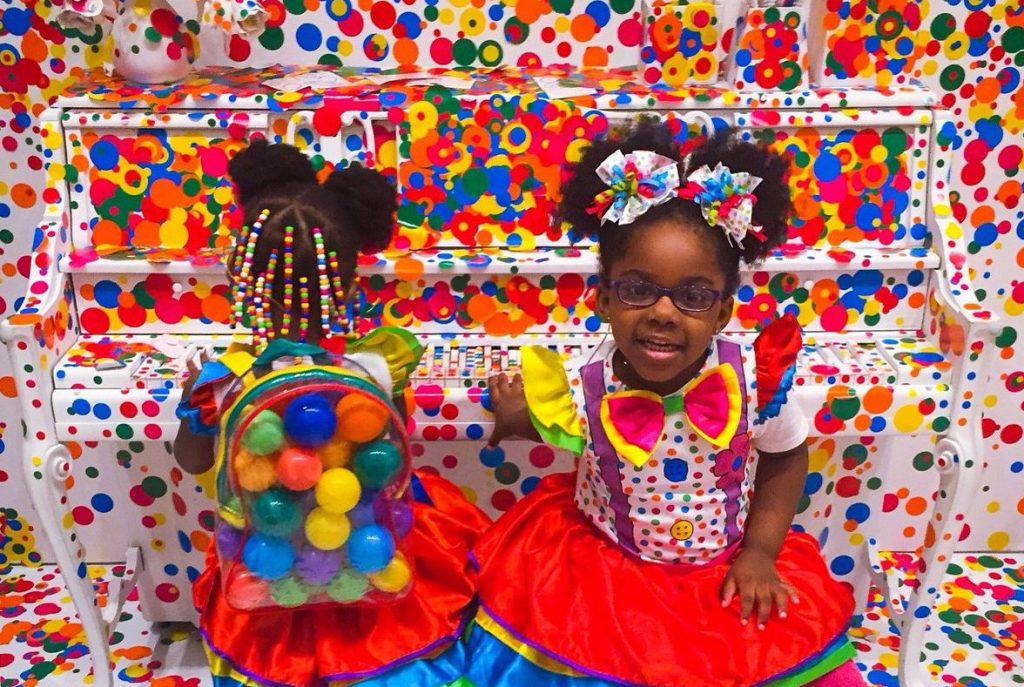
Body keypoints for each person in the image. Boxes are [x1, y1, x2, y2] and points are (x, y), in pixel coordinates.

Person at [471, 119, 864, 687]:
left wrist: (759, 552)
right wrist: (515, 418)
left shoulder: (755, 382)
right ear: (605, 298)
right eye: (637, 289)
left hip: (722, 563)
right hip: (607, 573)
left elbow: (785, 456)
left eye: (693, 296)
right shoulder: (585, 385)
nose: (662, 311)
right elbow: (556, 422)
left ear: (723, 312)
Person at [174, 140, 489, 687]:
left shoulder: (222, 380)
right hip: (370, 548)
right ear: (344, 285)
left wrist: (194, 402)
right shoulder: (376, 368)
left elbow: (193, 458)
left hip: (268, 551)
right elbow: (389, 462)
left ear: (245, 284)